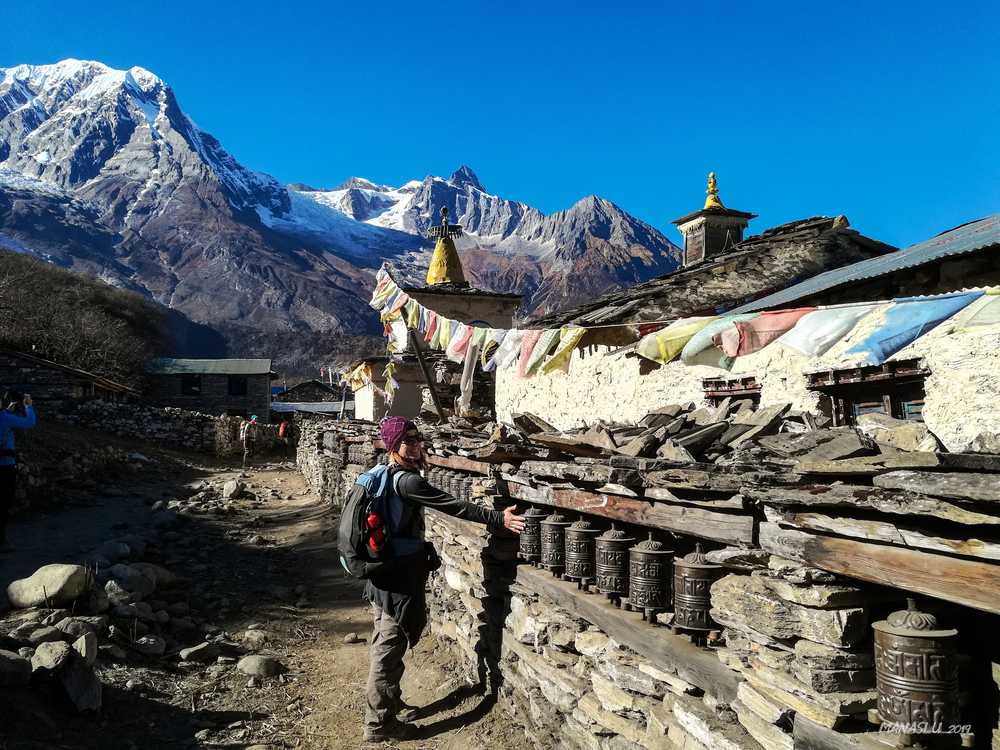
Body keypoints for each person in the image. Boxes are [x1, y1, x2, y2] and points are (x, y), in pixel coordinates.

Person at [360, 417, 524, 743]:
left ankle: (390, 705)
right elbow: (453, 505)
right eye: (407, 440)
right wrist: (496, 518)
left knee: (385, 640)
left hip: (382, 573)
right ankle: (379, 724)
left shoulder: (380, 474)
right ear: (394, 445)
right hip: (396, 578)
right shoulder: (406, 482)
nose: (416, 444)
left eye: (417, 438)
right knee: (389, 648)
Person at [0, 390, 36, 550]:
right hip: (5, 466)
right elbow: (29, 422)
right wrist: (28, 406)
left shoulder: (5, 416)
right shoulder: (5, 418)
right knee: (3, 503)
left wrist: (8, 409)